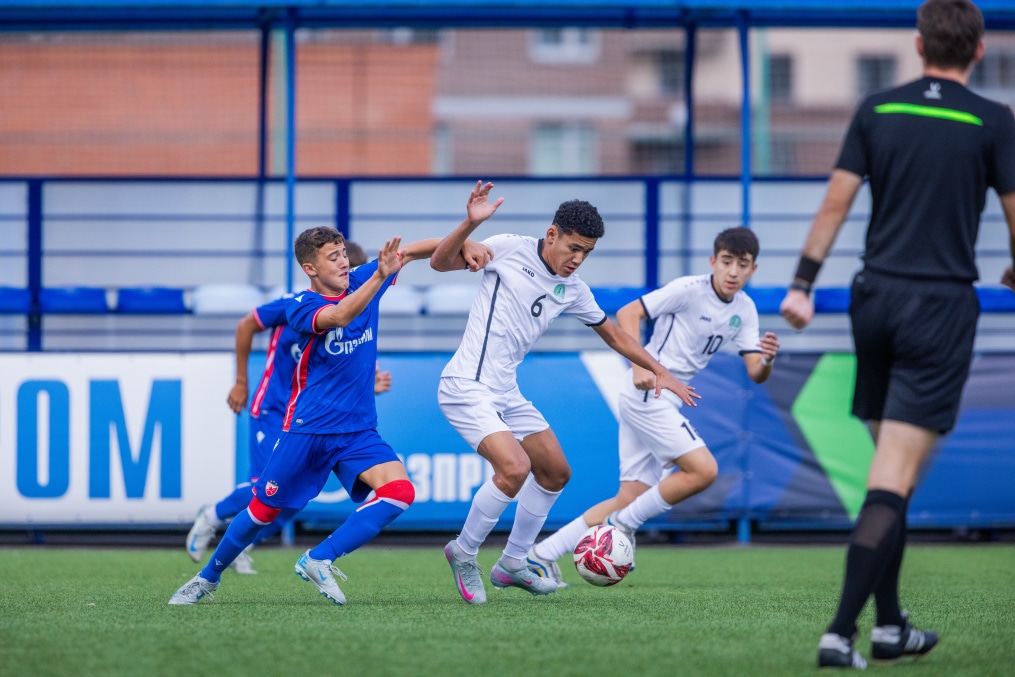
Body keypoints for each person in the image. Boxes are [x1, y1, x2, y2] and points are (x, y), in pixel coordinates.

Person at [778, 0, 1015, 668]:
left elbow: (834, 202)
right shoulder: (993, 120)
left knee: (890, 472)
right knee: (894, 477)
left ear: (916, 46)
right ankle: (838, 632)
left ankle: (889, 626)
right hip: (937, 308)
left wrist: (800, 284)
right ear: (978, 49)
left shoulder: (876, 110)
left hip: (872, 300)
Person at [170, 228, 489, 605]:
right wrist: (381, 276)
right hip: (309, 430)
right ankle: (207, 578)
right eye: (332, 256)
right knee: (262, 510)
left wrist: (466, 235)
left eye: (343, 253)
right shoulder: (301, 306)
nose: (343, 261)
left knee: (400, 491)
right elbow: (339, 315)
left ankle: (320, 558)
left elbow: (413, 250)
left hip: (357, 430)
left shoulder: (362, 278)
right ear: (310, 268)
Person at [430, 180, 700, 605]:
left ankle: (512, 563)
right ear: (551, 234)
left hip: (506, 390)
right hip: (466, 386)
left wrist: (658, 368)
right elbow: (439, 263)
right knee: (515, 468)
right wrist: (469, 225)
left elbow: (612, 333)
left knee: (555, 471)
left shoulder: (573, 289)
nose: (578, 259)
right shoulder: (508, 248)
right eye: (573, 247)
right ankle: (463, 552)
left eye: (587, 252)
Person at [527, 227, 779, 586]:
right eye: (727, 262)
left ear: (753, 270)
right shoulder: (689, 290)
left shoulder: (745, 310)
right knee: (703, 470)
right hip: (650, 393)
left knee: (629, 497)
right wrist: (639, 366)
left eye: (743, 265)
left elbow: (756, 372)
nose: (734, 272)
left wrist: (767, 360)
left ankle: (542, 555)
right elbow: (630, 313)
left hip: (659, 400)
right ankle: (624, 525)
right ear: (713, 262)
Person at [183, 242, 391, 574]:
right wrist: (241, 381)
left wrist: (371, 386)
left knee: (296, 500)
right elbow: (245, 325)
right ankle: (211, 517)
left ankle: (241, 546)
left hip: (313, 415)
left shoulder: (357, 310)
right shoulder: (297, 306)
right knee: (265, 486)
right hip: (274, 406)